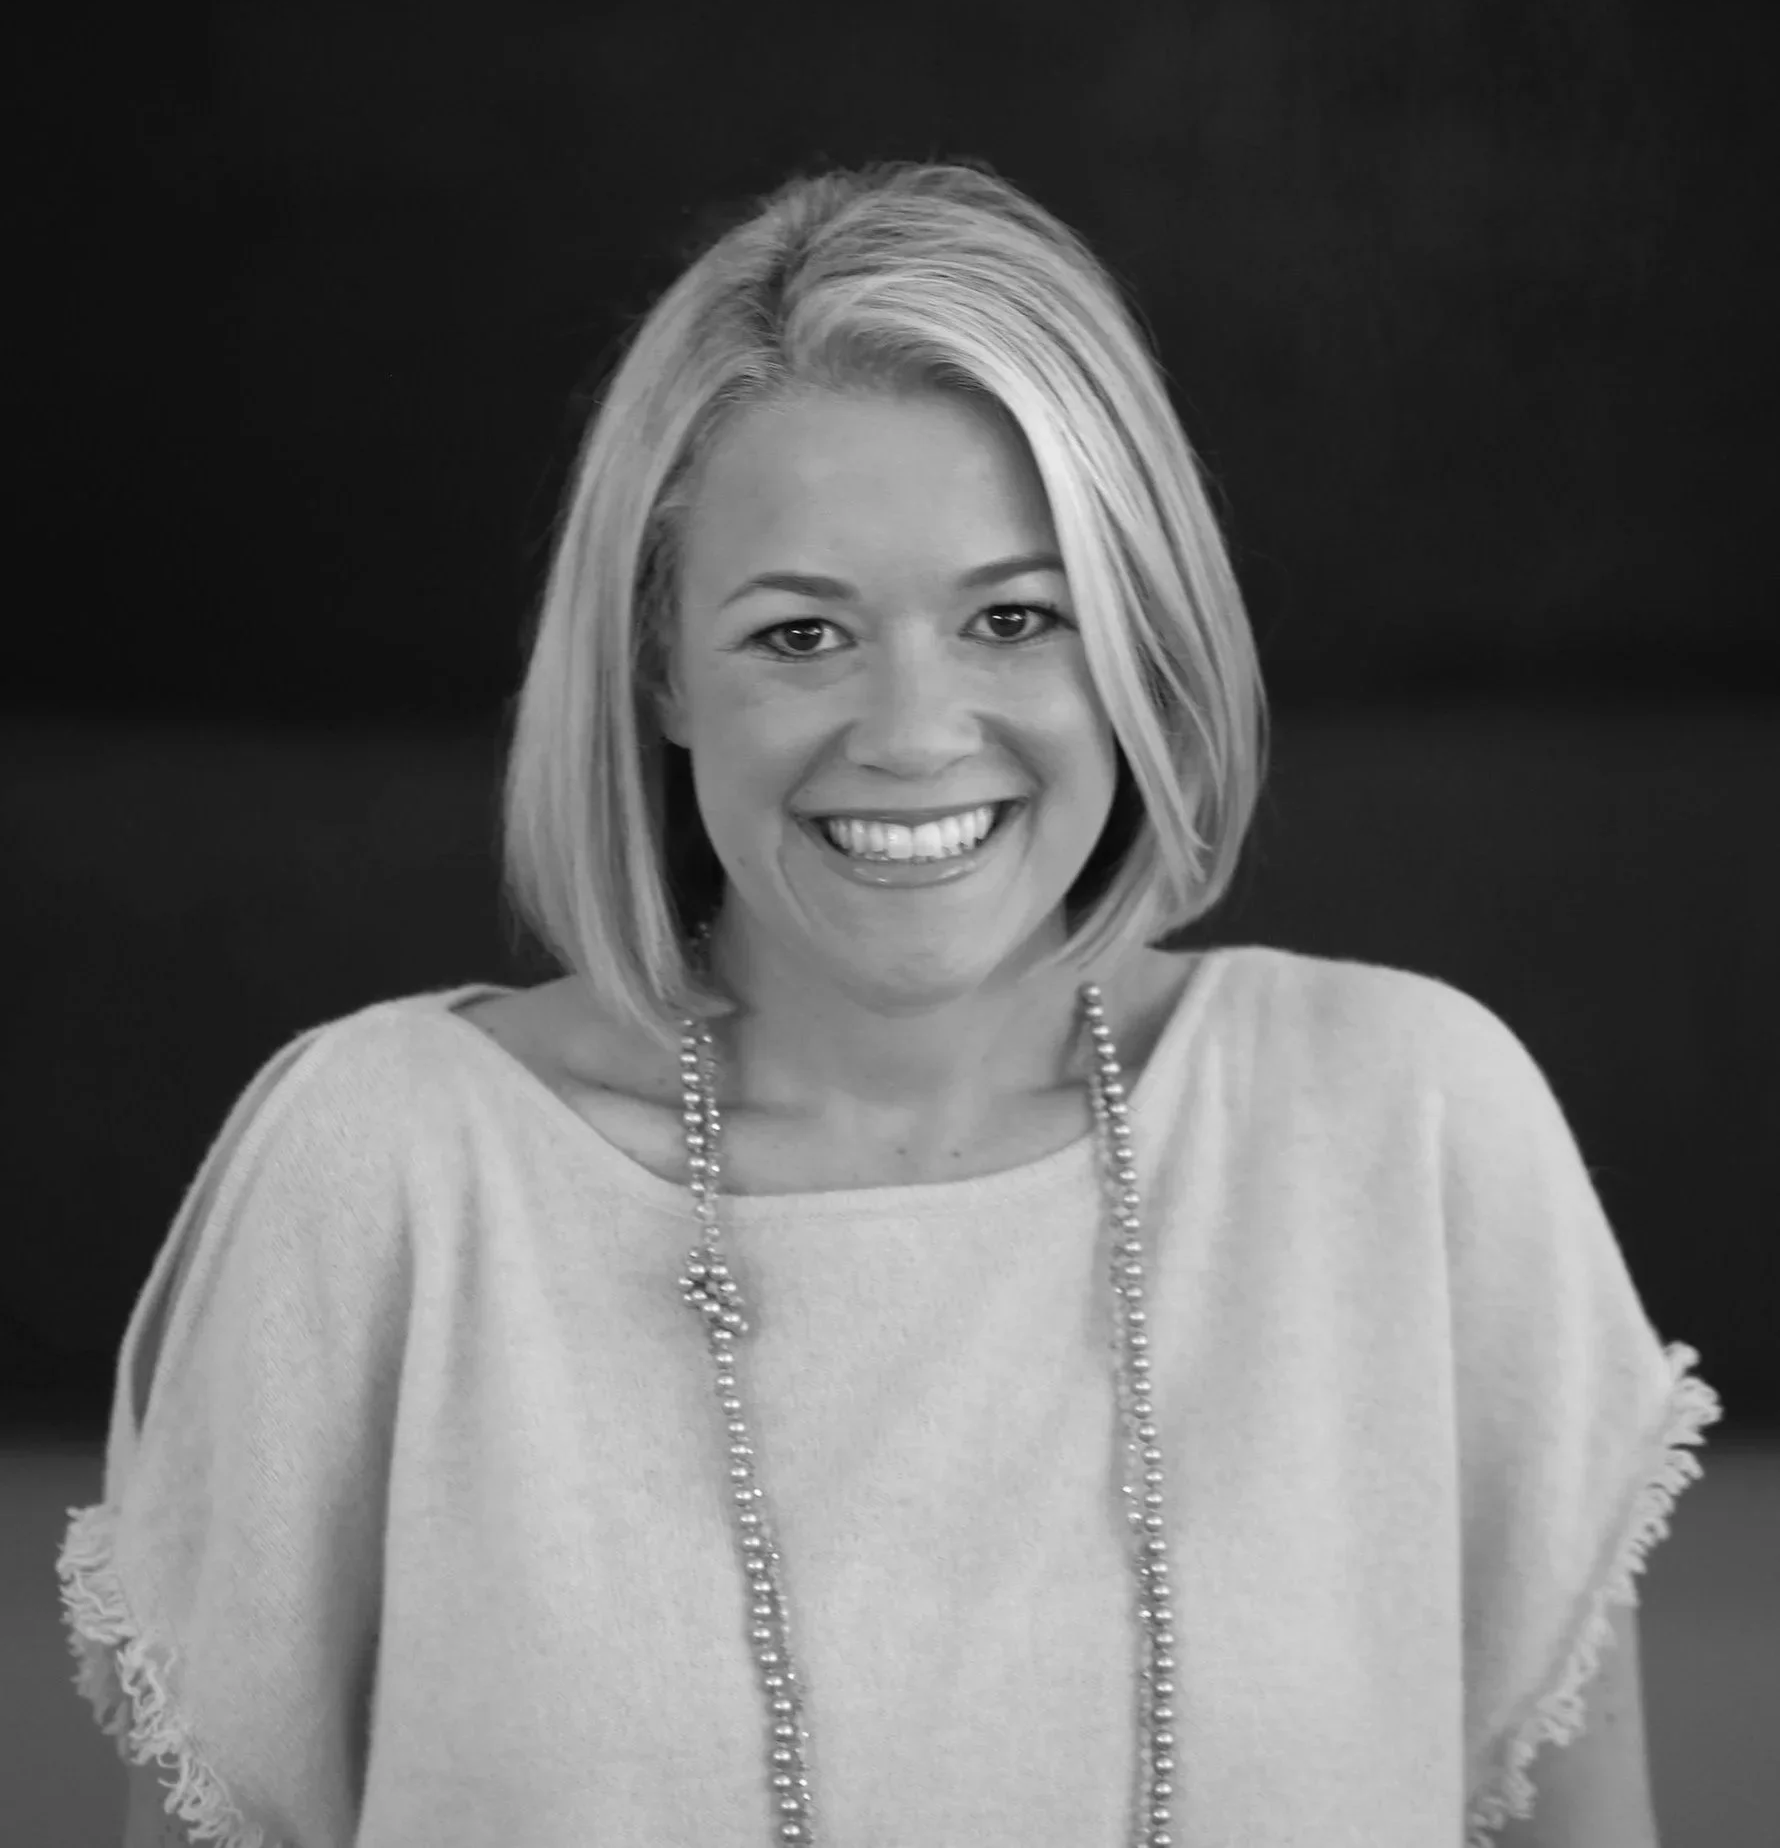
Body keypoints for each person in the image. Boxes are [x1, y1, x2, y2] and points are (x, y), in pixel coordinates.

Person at [58, 158, 1720, 1848]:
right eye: (800, 636)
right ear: (658, 668)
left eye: (1015, 617)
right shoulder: (384, 1167)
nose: (916, 733)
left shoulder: (1410, 1122)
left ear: (1138, 641)